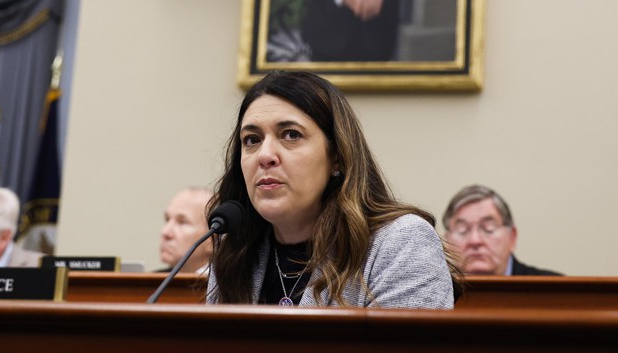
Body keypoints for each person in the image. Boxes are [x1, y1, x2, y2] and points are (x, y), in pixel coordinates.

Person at [206, 70, 458, 309]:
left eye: (291, 135)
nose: (265, 155)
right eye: (252, 140)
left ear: (337, 156)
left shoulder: (401, 244)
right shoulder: (234, 254)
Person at [442, 184, 562, 276]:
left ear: (512, 238)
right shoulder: (432, 296)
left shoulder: (554, 291)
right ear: (446, 242)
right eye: (463, 230)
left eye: (489, 228)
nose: (475, 240)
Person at [158, 187, 214, 274]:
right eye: (167, 219)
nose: (165, 232)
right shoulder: (151, 283)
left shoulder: (229, 285)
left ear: (212, 240)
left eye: (182, 222)